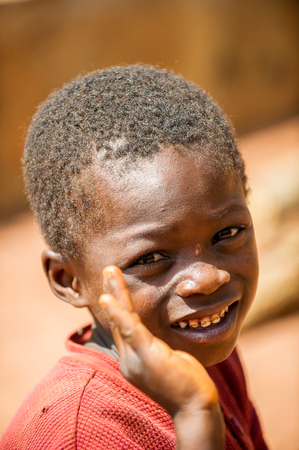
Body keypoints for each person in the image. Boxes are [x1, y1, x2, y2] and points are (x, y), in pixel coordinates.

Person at [0, 65, 268, 449]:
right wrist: (194, 414)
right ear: (68, 279)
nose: (208, 279)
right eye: (151, 257)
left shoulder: (201, 344)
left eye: (226, 234)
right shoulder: (77, 435)